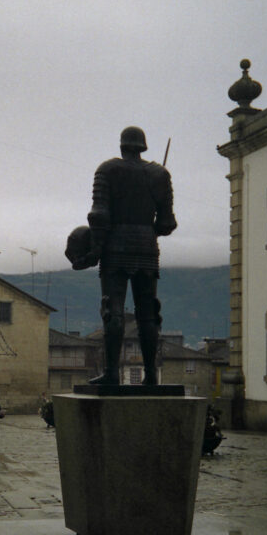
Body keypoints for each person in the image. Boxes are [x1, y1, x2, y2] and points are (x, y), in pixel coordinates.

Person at [87, 126, 176, 385]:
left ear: (122, 145)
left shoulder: (107, 170)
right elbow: (167, 223)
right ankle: (151, 375)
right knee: (148, 313)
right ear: (143, 146)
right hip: (147, 248)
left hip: (115, 247)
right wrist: (149, 227)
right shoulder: (160, 174)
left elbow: (99, 214)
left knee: (112, 311)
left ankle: (112, 373)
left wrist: (96, 248)